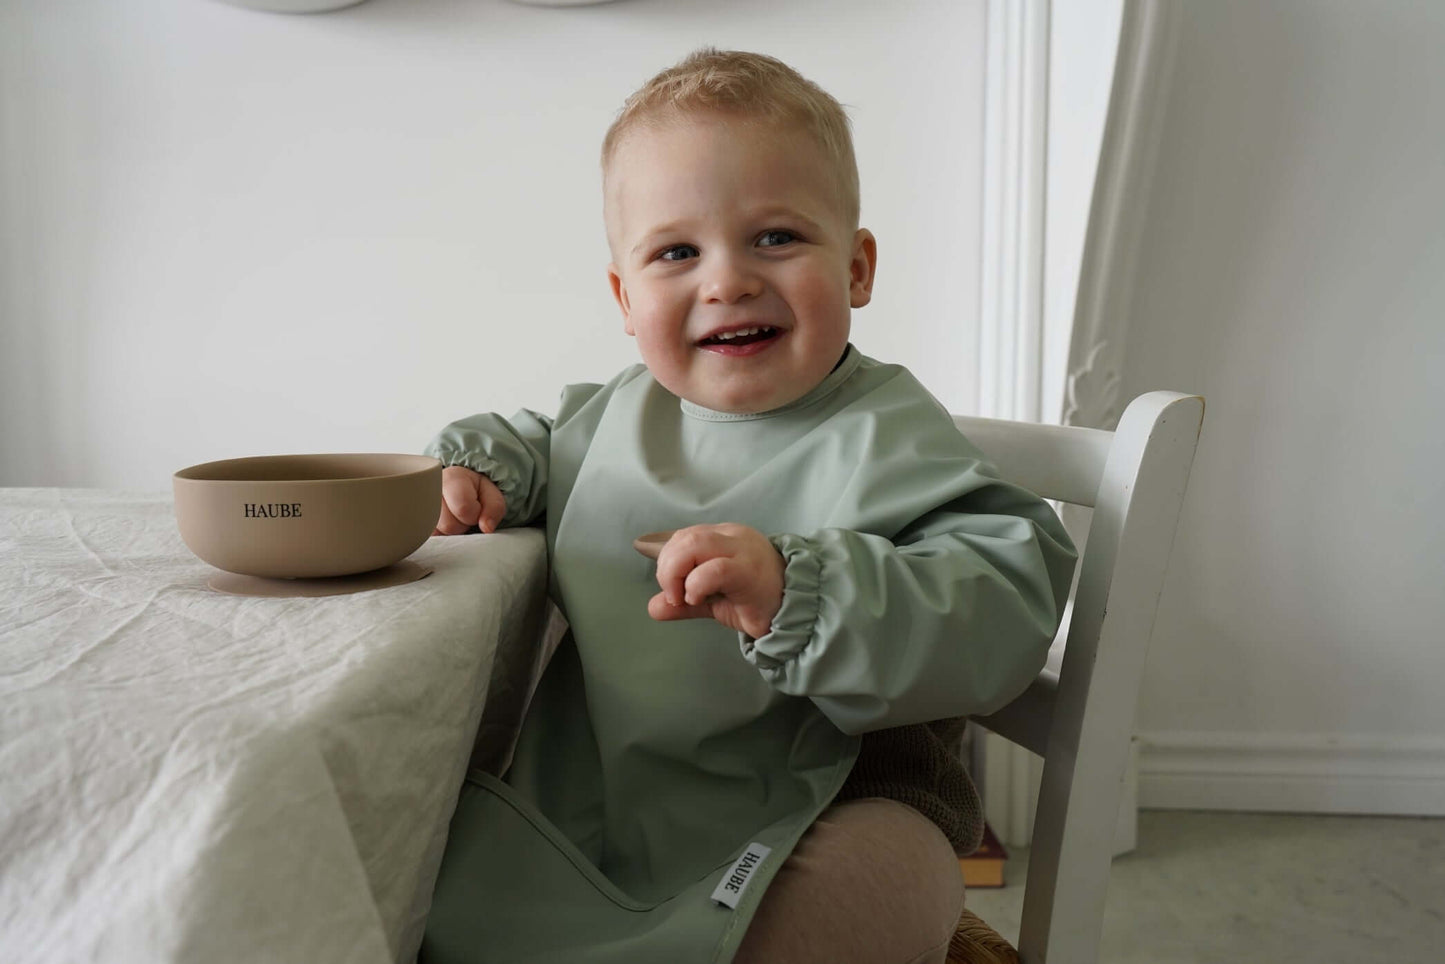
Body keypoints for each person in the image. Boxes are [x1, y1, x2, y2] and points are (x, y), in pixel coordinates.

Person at [419, 48, 1076, 964]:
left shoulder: (887, 429)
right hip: (608, 789)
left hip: (844, 795)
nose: (725, 280)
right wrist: (476, 472)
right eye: (676, 252)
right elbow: (532, 442)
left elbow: (1006, 592)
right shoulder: (612, 415)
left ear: (856, 268)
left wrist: (804, 593)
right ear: (624, 296)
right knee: (435, 895)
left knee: (869, 897)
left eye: (775, 237)